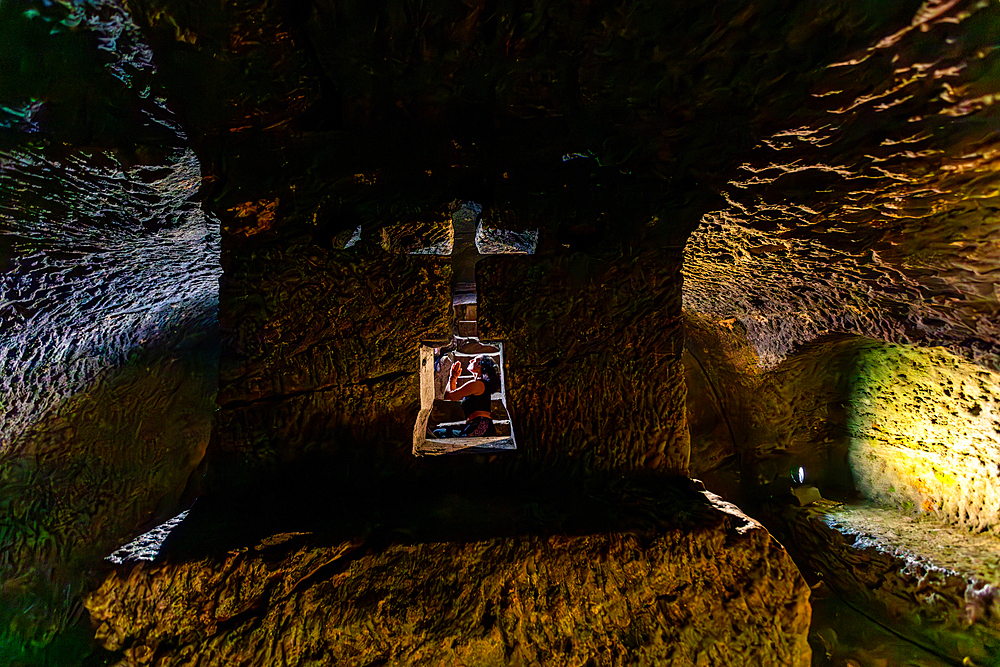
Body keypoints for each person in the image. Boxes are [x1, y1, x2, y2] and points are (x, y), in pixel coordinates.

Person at [433, 355, 500, 438]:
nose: (470, 361)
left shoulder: (478, 384)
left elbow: (449, 396)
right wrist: (454, 378)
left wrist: (452, 377)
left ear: (480, 365)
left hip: (480, 426)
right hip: (473, 424)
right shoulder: (478, 384)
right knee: (439, 432)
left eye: (475, 360)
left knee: (440, 434)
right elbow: (454, 396)